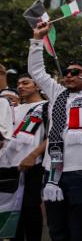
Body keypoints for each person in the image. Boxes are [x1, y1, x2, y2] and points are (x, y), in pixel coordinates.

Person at [27, 13, 82, 241]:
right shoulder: (57, 94)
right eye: (67, 72)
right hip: (53, 172)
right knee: (57, 231)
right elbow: (37, 72)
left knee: (79, 232)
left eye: (77, 72)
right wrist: (36, 41)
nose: (70, 75)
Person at [0, 74, 48, 241]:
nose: (20, 86)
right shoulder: (13, 108)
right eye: (18, 83)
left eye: (25, 83)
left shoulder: (46, 107)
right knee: (11, 210)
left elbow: (53, 136)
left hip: (32, 165)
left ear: (37, 85)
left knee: (30, 209)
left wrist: (34, 155)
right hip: (8, 165)